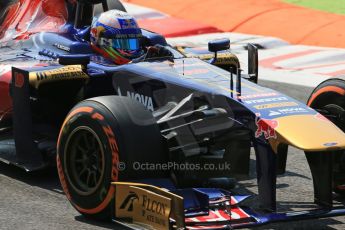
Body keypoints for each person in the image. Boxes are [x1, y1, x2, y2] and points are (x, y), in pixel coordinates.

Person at [90, 9, 173, 65]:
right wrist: (142, 62)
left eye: (133, 43)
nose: (131, 50)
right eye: (124, 43)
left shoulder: (144, 48)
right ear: (99, 38)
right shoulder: (87, 62)